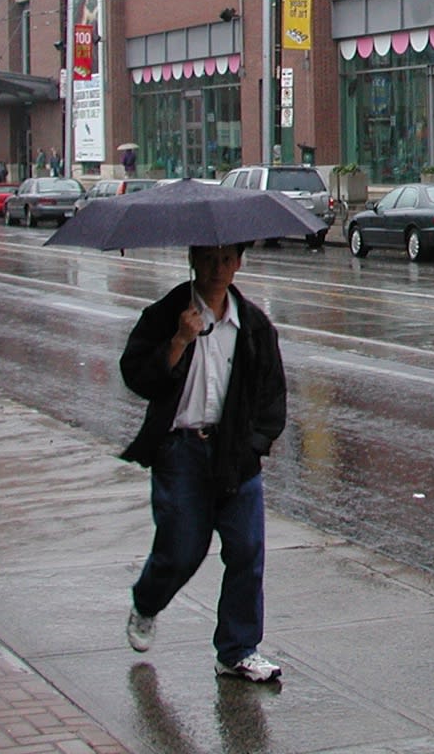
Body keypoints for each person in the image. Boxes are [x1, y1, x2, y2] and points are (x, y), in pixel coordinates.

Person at [119, 243, 287, 683]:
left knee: (247, 550)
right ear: (193, 259)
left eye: (226, 259)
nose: (217, 268)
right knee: (181, 550)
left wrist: (253, 446)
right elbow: (137, 375)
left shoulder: (253, 326)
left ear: (238, 263)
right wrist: (178, 341)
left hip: (234, 452)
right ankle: (146, 603)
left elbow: (272, 396)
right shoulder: (166, 315)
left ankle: (237, 649)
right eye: (208, 258)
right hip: (181, 450)